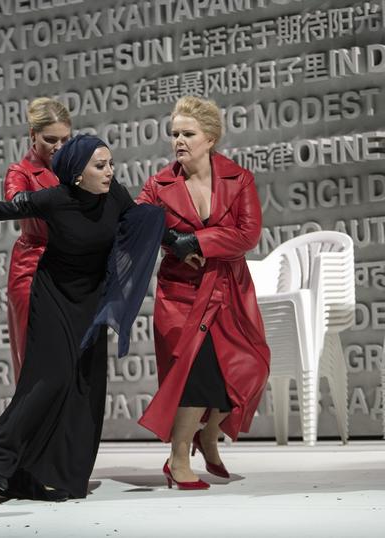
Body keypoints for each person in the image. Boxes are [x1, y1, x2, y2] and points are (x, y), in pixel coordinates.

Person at [0, 135, 164, 501]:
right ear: (78, 174)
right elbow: (6, 210)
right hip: (53, 297)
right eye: (101, 165)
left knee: (83, 387)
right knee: (49, 379)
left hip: (90, 302)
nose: (110, 171)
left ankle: (52, 475)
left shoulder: (116, 196)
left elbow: (143, 225)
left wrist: (184, 242)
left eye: (111, 163)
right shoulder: (56, 198)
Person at [135, 96, 270, 489]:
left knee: (248, 368)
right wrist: (170, 238)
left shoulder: (238, 179)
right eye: (174, 133)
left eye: (187, 133)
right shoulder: (158, 184)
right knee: (195, 373)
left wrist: (194, 242)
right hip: (180, 295)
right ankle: (178, 459)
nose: (179, 140)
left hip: (228, 290)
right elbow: (137, 224)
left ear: (210, 138)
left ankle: (209, 435)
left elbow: (247, 234)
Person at [4, 97, 71, 381]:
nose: (59, 147)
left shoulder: (78, 167)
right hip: (33, 269)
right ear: (33, 135)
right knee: (37, 362)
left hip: (71, 269)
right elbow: (14, 198)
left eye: (66, 139)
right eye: (51, 139)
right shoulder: (20, 172)